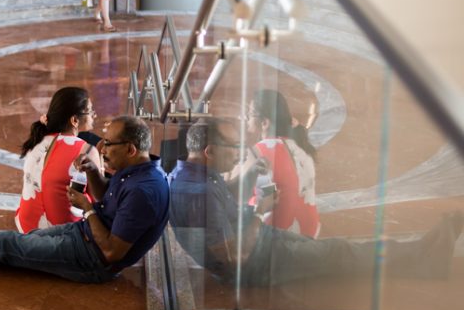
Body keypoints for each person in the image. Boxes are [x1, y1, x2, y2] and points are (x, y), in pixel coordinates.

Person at [170, 119, 463, 286]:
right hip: (258, 265)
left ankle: (421, 259)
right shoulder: (197, 193)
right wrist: (258, 212)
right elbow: (233, 255)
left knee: (338, 250)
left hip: (264, 246)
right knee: (341, 253)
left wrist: (245, 180)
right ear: (209, 151)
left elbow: (219, 207)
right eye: (234, 148)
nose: (239, 153)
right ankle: (424, 257)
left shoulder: (194, 176)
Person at [0, 116, 170, 283]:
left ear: (131, 149)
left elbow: (112, 253)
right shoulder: (136, 172)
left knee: (6, 245)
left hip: (92, 261)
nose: (102, 147)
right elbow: (106, 197)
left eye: (108, 144)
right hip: (84, 237)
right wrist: (95, 172)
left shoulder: (144, 192)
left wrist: (88, 211)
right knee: (8, 246)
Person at [16, 87, 102, 233]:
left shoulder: (37, 140)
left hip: (25, 226)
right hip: (61, 236)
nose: (94, 115)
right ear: (75, 120)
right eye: (90, 111)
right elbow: (99, 201)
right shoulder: (87, 151)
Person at [247, 89, 321, 238]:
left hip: (281, 237)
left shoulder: (258, 152)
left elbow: (264, 201)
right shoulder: (300, 146)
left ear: (264, 123)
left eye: (249, 114)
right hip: (309, 232)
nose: (246, 118)